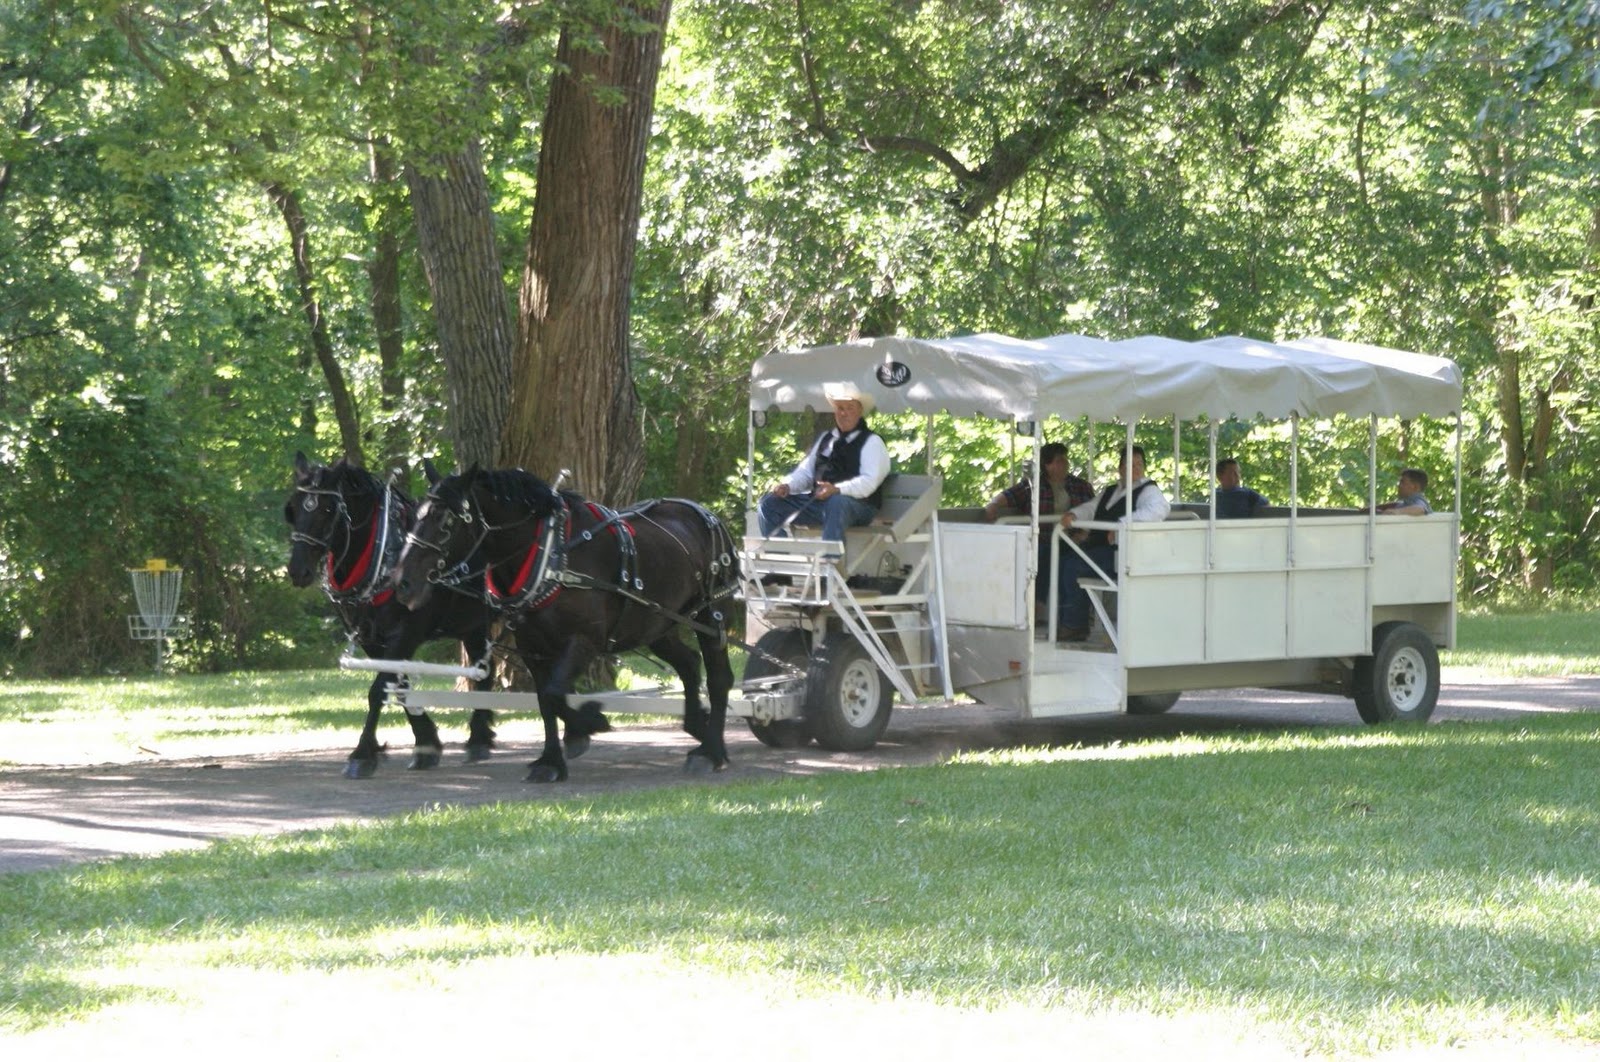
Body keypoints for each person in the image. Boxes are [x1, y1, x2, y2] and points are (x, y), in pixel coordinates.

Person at [1053, 444, 1171, 642]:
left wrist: (1121, 526)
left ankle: (1075, 625)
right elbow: (1091, 508)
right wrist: (1074, 514)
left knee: (1074, 566)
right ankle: (1071, 621)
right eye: (1129, 464)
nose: (1134, 468)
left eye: (1139, 464)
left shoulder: (1148, 490)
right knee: (1065, 561)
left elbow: (1158, 510)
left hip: (1125, 553)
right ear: (1120, 468)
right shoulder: (1111, 491)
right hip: (1100, 549)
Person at [756, 382, 891, 551]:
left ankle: (831, 568)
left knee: (836, 502)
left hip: (858, 507)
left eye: (849, 407)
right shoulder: (827, 439)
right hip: (820, 504)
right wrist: (788, 486)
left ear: (860, 410)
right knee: (768, 503)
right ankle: (779, 566)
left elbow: (869, 482)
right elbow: (806, 473)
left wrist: (836, 489)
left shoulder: (872, 442)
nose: (844, 413)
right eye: (840, 408)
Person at [983, 443, 1095, 620]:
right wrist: (993, 505)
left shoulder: (1081, 486)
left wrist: (1084, 534)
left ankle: (1068, 615)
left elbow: (1094, 511)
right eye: (1059, 460)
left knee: (1067, 559)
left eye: (1066, 460)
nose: (1065, 464)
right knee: (1045, 553)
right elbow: (1007, 496)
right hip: (1042, 540)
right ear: (1047, 465)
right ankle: (1038, 608)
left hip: (1074, 541)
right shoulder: (1032, 486)